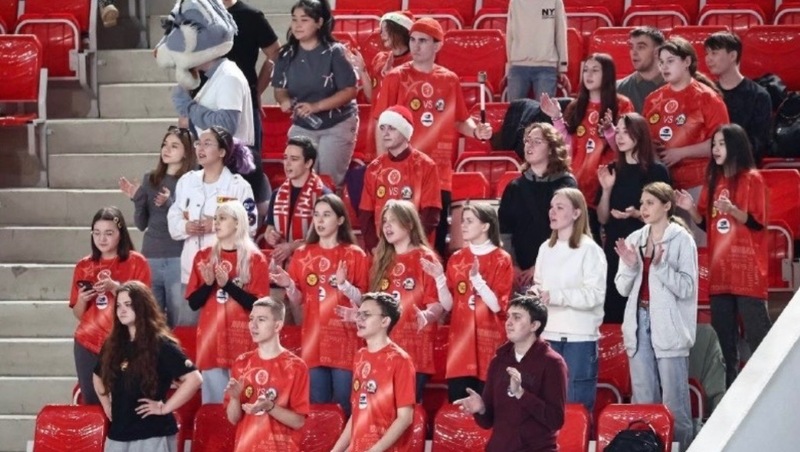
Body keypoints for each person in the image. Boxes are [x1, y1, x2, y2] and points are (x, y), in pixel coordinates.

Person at [372, 17, 493, 256]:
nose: (415, 46)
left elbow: (460, 120)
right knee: (397, 238)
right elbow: (381, 122)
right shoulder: (395, 77)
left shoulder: (449, 80)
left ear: (437, 45)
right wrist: (382, 164)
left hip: (438, 174)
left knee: (432, 242)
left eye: (423, 41)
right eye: (413, 40)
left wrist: (476, 131)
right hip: (402, 171)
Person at [675, 124, 771, 388]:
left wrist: (733, 210)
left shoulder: (753, 179)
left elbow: (757, 223)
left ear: (736, 146)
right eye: (714, 144)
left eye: (721, 144)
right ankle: (729, 396)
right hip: (720, 274)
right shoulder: (713, 180)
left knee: (759, 339)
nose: (716, 149)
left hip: (748, 273)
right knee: (724, 344)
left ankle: (770, 393)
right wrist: (691, 209)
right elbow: (707, 224)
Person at [269, 194, 369, 416]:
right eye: (316, 215)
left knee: (344, 407)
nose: (320, 220)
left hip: (345, 340)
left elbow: (364, 301)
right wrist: (288, 285)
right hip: (314, 341)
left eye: (326, 215)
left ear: (340, 220)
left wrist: (344, 286)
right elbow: (298, 299)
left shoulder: (355, 255)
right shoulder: (303, 253)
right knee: (318, 409)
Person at [615, 181, 697, 449]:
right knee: (643, 399)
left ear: (667, 205)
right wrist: (630, 267)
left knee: (675, 403)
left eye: (650, 203)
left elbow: (687, 288)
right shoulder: (634, 239)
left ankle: (682, 447)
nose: (644, 208)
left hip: (669, 325)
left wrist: (660, 267)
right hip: (638, 321)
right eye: (642, 203)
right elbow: (621, 288)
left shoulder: (682, 239)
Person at [93, 281, 203, 451]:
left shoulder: (161, 344)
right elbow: (97, 376)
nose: (122, 310)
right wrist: (107, 406)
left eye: (128, 304)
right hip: (118, 435)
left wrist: (165, 408)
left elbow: (194, 379)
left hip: (152, 434)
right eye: (119, 305)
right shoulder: (113, 344)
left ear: (142, 306)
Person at [422, 203, 514, 402]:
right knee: (458, 406)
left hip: (489, 343)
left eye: (470, 221)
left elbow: (497, 306)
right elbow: (449, 305)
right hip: (461, 345)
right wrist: (439, 278)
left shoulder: (501, 259)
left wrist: (477, 280)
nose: (463, 225)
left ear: (486, 226)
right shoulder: (457, 258)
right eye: (462, 221)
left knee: (488, 408)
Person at [643, 37, 729, 244]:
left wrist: (680, 153)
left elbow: (724, 144)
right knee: (668, 250)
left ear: (687, 62)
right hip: (663, 186)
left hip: (699, 184)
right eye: (661, 62)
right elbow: (644, 139)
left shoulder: (707, 98)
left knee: (699, 247)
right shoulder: (653, 99)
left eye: (670, 61)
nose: (664, 67)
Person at [540, 53, 635, 242]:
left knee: (606, 241)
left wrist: (609, 131)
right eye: (586, 70)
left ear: (607, 74)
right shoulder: (576, 106)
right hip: (578, 181)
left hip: (608, 181)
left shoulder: (622, 105)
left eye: (595, 70)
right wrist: (556, 117)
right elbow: (567, 144)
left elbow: (626, 147)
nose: (588, 75)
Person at [168, 126, 257, 326]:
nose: (200, 148)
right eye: (198, 143)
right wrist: (185, 226)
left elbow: (250, 225)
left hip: (227, 273)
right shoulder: (186, 181)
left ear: (222, 152)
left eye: (207, 143)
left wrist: (216, 225)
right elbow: (173, 220)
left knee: (223, 329)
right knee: (188, 329)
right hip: (191, 271)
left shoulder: (238, 186)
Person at [455, 295, 568, 452]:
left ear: (534, 325)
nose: (508, 322)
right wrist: (481, 409)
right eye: (508, 316)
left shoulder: (553, 363)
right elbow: (487, 422)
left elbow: (555, 420)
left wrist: (521, 394)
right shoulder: (498, 361)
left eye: (517, 317)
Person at [185, 201, 270, 403]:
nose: (216, 222)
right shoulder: (204, 256)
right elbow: (193, 304)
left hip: (243, 339)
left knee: (244, 404)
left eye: (222, 218)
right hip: (212, 341)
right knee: (214, 406)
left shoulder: (255, 259)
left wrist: (228, 286)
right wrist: (208, 285)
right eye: (215, 218)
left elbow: (258, 306)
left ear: (237, 222)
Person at [532, 187, 606, 413]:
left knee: (575, 405)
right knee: (546, 404)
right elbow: (539, 283)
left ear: (576, 213)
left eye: (560, 207)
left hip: (579, 338)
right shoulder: (545, 248)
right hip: (548, 335)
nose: (552, 212)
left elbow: (594, 295)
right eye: (551, 207)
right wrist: (535, 294)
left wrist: (556, 296)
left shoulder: (590, 250)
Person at [272, 0, 359, 187]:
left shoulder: (335, 52)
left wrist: (316, 106)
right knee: (299, 177)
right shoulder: (286, 54)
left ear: (319, 23)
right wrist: (284, 100)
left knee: (328, 180)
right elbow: (279, 89)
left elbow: (350, 91)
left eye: (304, 20)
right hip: (303, 124)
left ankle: (330, 205)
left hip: (337, 123)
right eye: (294, 19)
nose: (297, 25)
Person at [70, 207, 151, 406]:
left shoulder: (136, 262)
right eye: (96, 233)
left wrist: (116, 288)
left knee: (125, 400)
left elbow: (144, 306)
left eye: (108, 233)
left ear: (120, 234)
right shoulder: (84, 265)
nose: (102, 239)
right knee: (93, 401)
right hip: (87, 341)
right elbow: (79, 314)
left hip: (124, 341)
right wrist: (82, 299)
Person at [119, 126, 197, 327]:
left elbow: (189, 218)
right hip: (151, 255)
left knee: (177, 320)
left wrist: (171, 204)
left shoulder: (191, 182)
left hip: (178, 257)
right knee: (152, 320)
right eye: (165, 144)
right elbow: (141, 224)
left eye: (174, 146)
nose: (166, 149)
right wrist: (137, 199)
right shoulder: (150, 179)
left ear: (186, 152)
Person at [596, 113, 670, 323]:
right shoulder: (612, 170)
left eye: (626, 132)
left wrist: (637, 213)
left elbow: (665, 216)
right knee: (614, 311)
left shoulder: (656, 171)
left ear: (639, 134)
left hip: (646, 247)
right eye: (617, 131)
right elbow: (602, 218)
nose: (619, 137)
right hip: (616, 247)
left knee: (645, 311)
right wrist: (606, 190)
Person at [370, 200, 443, 401]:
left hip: (414, 350)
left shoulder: (426, 258)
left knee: (406, 410)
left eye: (393, 220)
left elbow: (437, 305)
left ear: (409, 224)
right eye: (385, 221)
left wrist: (427, 315)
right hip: (382, 347)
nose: (387, 226)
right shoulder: (381, 259)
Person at [331, 292, 416, 452]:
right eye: (358, 314)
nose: (359, 319)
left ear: (385, 321)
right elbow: (357, 413)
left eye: (367, 315)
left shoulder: (400, 360)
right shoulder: (360, 356)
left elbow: (405, 418)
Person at [498, 123, 577, 293]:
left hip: (556, 270)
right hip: (519, 273)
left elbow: (569, 231)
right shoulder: (514, 187)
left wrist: (540, 266)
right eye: (527, 141)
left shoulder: (566, 184)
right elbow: (504, 232)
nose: (529, 145)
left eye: (537, 141)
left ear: (551, 149)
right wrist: (513, 265)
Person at [222, 0, 282, 225]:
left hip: (244, 106)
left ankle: (252, 222)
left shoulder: (251, 16)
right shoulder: (199, 13)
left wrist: (257, 89)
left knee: (248, 164)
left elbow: (275, 52)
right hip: (208, 105)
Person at [226, 297, 309, 451]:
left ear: (277, 325)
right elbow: (233, 419)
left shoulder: (296, 367)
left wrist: (269, 406)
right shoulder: (241, 363)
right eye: (251, 319)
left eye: (261, 319)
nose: (253, 325)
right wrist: (235, 398)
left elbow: (298, 422)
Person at [359, 105, 441, 251]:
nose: (385, 133)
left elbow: (431, 213)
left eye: (391, 128)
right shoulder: (374, 168)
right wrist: (375, 247)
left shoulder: (426, 165)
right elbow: (366, 214)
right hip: (382, 249)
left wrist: (409, 244)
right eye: (382, 128)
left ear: (405, 131)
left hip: (414, 248)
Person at [704, 31, 772, 164]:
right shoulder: (706, 93)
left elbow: (758, 143)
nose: (708, 59)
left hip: (744, 165)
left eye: (714, 53)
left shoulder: (759, 96)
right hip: (709, 165)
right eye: (707, 53)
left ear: (732, 55)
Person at [263, 136, 331, 267]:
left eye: (294, 159)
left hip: (314, 265)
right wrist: (270, 235)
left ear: (308, 163)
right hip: (281, 265)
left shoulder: (323, 196)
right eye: (285, 158)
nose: (287, 164)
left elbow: (327, 238)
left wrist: (292, 247)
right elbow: (269, 228)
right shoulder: (277, 194)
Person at [506, 0, 570, 101]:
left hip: (546, 65)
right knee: (515, 109)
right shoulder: (515, 2)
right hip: (518, 66)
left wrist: (563, 66)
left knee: (544, 110)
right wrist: (510, 64)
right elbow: (510, 34)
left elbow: (560, 32)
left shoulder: (555, 1)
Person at [348, 11, 415, 103]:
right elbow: (371, 98)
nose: (382, 34)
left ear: (400, 31)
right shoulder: (380, 58)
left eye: (386, 30)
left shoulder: (415, 62)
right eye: (381, 30)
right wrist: (362, 71)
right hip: (378, 112)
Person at [617, 27, 666, 113]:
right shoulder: (618, 89)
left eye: (641, 47)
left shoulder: (678, 86)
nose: (634, 52)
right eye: (631, 47)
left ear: (657, 52)